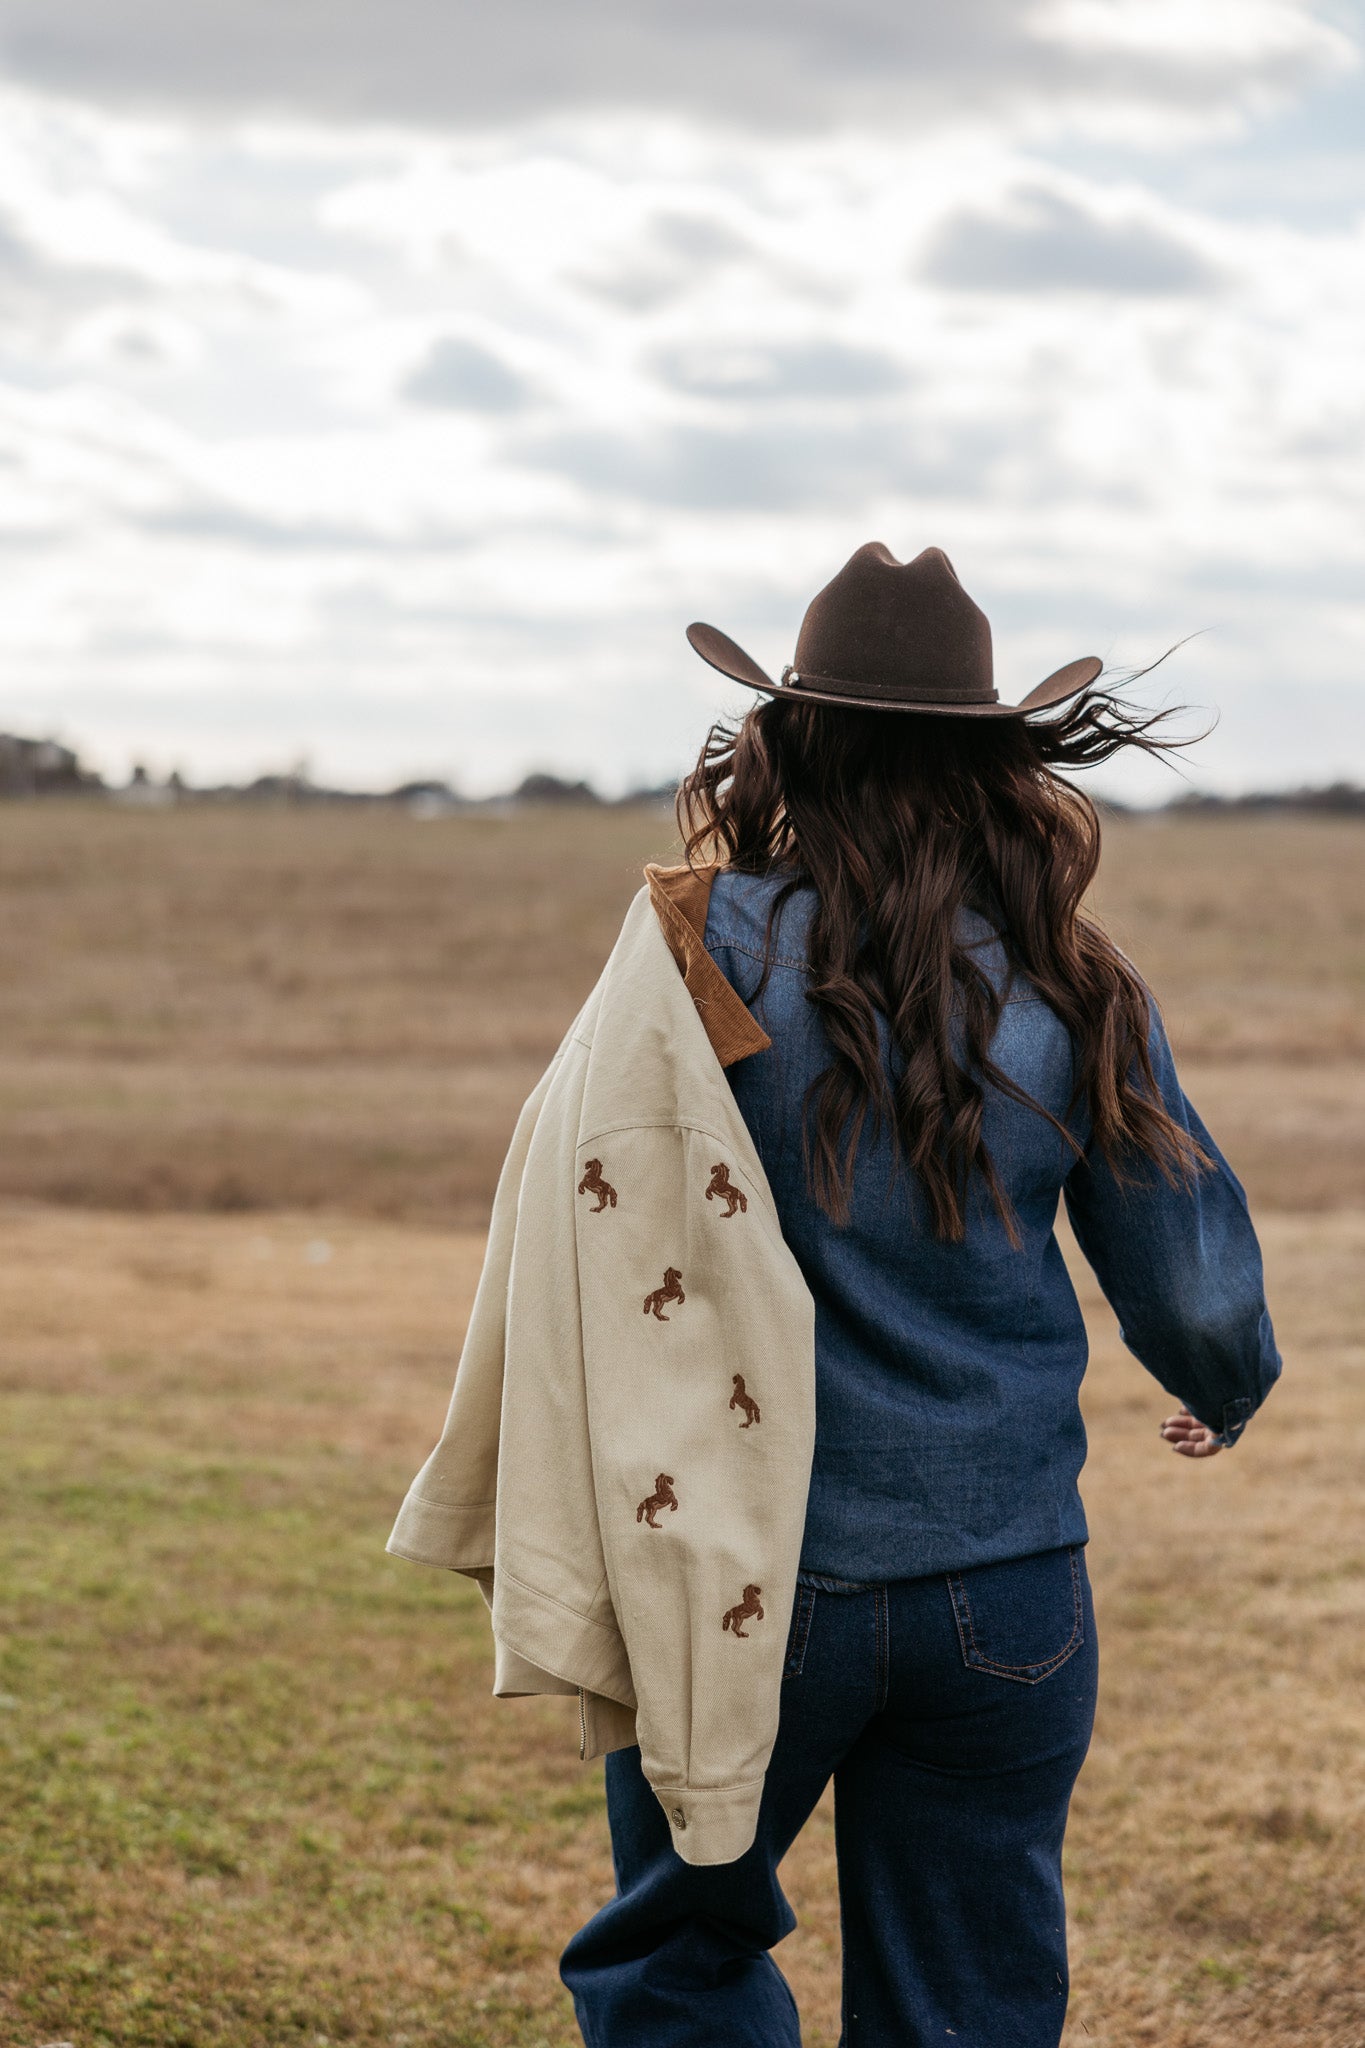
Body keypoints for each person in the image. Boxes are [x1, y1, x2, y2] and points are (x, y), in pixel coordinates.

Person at [553, 543, 1282, 2045]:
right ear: (992, 762)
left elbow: (583, 1207)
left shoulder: (697, 944)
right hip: (1007, 1584)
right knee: (966, 2003)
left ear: (787, 739)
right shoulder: (1073, 979)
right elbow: (1194, 1286)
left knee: (678, 1960)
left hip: (748, 1572)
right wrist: (1222, 1387)